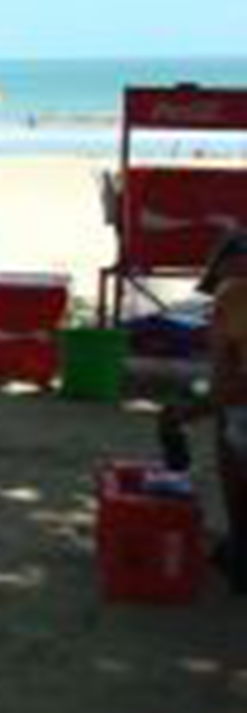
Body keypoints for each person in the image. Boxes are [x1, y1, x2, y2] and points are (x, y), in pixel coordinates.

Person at [161, 232, 247, 593]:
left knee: (230, 423)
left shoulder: (235, 295)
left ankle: (242, 545)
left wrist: (188, 412)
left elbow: (234, 389)